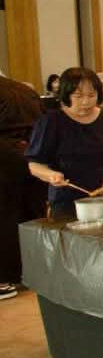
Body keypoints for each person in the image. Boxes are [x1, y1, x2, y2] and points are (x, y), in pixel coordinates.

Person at [25, 68, 103, 218]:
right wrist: (51, 175)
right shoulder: (51, 122)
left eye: (91, 95)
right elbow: (35, 165)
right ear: (66, 95)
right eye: (78, 96)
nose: (85, 101)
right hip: (67, 203)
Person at [0, 76, 47, 300]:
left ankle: (4, 278)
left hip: (4, 159)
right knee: (33, 214)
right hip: (32, 155)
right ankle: (32, 271)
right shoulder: (25, 89)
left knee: (5, 218)